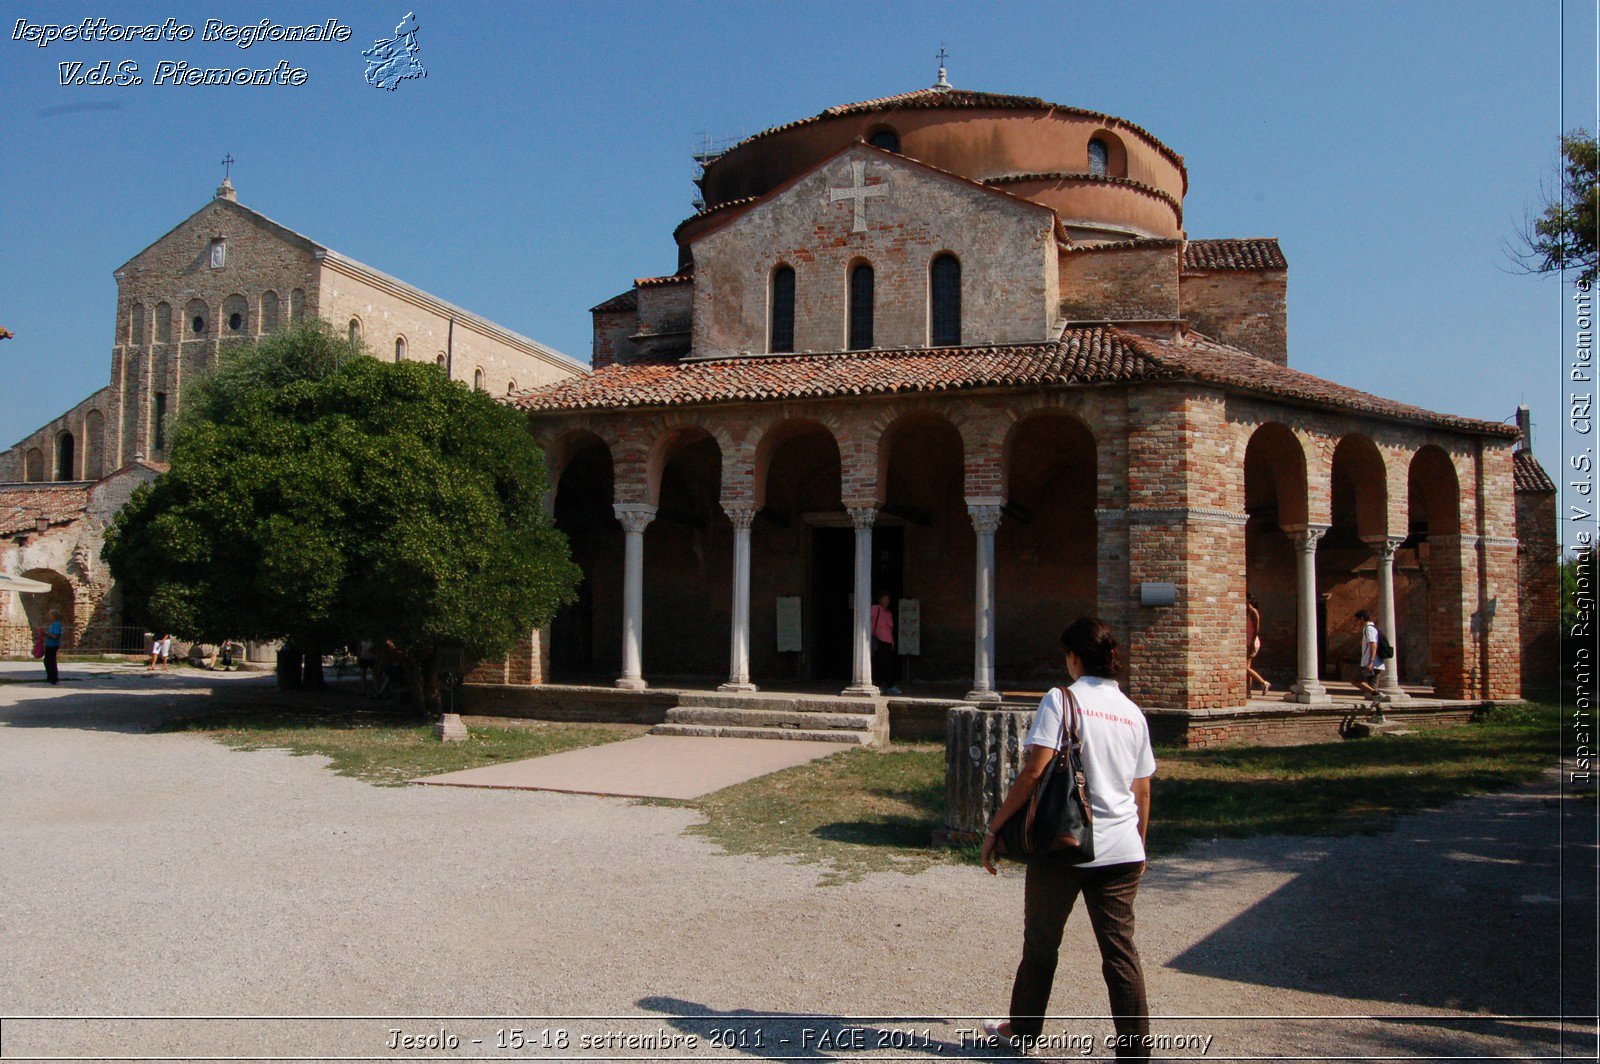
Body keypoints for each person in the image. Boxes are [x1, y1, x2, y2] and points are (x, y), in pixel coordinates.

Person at [981, 617, 1155, 1061]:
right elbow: (1142, 790)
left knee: (1041, 944)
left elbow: (1034, 771)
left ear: (1075, 657)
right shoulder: (1133, 712)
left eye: (1067, 656)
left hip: (1065, 845)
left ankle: (1021, 1031)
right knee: (1121, 956)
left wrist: (997, 826)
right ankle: (1136, 1054)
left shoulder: (1062, 700)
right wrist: (1140, 846)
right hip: (1122, 851)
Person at [870, 593, 900, 696]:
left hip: (887, 641)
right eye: (884, 599)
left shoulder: (888, 613)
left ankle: (886, 685)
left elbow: (889, 629)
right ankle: (887, 686)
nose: (886, 601)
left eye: (888, 599)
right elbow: (868, 621)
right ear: (879, 600)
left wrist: (892, 641)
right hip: (878, 640)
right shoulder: (875, 609)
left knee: (886, 663)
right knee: (881, 663)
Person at [1355, 609, 1385, 703]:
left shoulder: (1369, 628)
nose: (1356, 622)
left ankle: (1377, 694)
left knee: (1355, 680)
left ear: (1362, 618)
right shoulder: (1372, 628)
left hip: (1371, 663)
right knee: (1372, 687)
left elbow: (1373, 644)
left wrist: (1370, 662)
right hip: (1375, 663)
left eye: (1357, 620)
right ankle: (1379, 714)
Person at [1245, 594, 1270, 696]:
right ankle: (1248, 692)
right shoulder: (1248, 612)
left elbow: (1256, 629)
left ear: (1248, 601)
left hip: (1252, 642)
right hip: (1248, 642)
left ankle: (1264, 683)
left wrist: (1252, 643)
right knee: (1247, 668)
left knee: (1243, 667)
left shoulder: (1254, 612)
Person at [40, 609, 63, 685]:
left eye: (50, 615)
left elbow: (55, 636)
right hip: (49, 644)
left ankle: (52, 680)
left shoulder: (57, 624)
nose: (49, 616)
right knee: (48, 662)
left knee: (50, 662)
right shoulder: (52, 624)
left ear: (54, 616)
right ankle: (52, 679)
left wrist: (46, 633)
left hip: (53, 645)